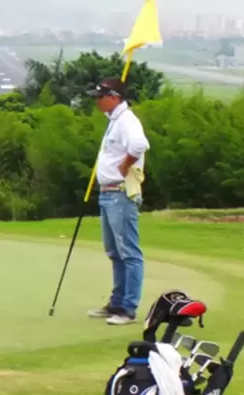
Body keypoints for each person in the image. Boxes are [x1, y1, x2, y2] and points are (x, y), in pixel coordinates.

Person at [83, 77, 150, 326]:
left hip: (121, 193)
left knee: (129, 252)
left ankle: (128, 308)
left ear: (114, 97)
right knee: (114, 252)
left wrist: (123, 166)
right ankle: (117, 302)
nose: (97, 101)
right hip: (108, 193)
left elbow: (140, 145)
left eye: (100, 97)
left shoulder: (127, 120)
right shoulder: (115, 121)